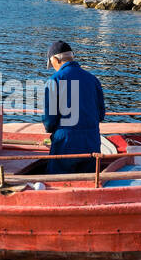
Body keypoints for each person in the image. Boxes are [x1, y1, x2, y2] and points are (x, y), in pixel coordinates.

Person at [42, 40, 106, 174]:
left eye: (52, 63)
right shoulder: (93, 79)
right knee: (88, 182)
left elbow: (49, 121)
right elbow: (101, 115)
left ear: (55, 59)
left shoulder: (54, 80)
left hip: (66, 144)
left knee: (58, 182)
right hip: (92, 143)